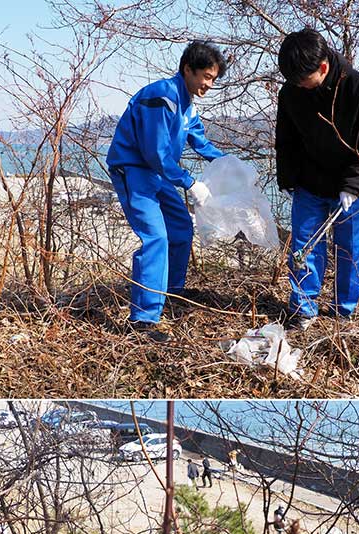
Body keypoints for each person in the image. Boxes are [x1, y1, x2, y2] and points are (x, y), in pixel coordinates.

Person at [105, 41, 228, 342]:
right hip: (135, 171)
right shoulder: (162, 97)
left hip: (158, 174)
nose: (209, 85)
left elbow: (199, 142)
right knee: (156, 237)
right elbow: (155, 152)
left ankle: (171, 292)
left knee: (181, 228)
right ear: (188, 69)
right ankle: (143, 321)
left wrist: (228, 162)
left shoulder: (186, 104)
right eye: (206, 77)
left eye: (213, 79)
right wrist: (190, 183)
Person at [275, 28, 359, 330]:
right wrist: (288, 176)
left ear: (323, 68)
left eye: (303, 79)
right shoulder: (290, 93)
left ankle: (344, 311)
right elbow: (285, 138)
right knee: (303, 246)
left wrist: (354, 185)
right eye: (293, 80)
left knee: (350, 249)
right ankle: (303, 308)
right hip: (309, 182)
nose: (298, 86)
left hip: (351, 185)